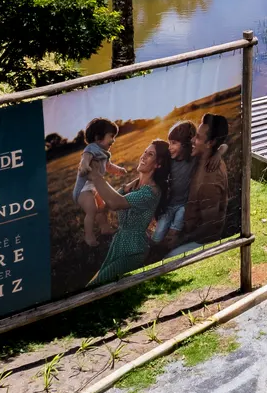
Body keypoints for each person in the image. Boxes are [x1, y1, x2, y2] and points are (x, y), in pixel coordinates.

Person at [89, 140, 171, 286]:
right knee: (93, 284)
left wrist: (96, 176)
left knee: (94, 287)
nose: (143, 156)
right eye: (145, 152)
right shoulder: (132, 187)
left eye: (150, 154)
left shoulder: (151, 192)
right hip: (118, 245)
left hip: (134, 250)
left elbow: (115, 203)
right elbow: (106, 204)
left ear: (158, 164)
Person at [73, 117, 128, 247]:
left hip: (93, 187)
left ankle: (105, 228)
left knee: (101, 207)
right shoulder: (91, 148)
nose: (113, 140)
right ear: (98, 138)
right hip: (83, 189)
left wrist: (119, 170)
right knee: (92, 210)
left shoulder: (104, 152)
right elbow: (85, 158)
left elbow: (108, 166)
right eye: (111, 136)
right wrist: (85, 165)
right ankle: (89, 236)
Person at [152, 121, 199, 255]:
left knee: (177, 222)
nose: (170, 147)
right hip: (169, 206)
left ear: (185, 144)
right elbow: (153, 173)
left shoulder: (194, 158)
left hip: (184, 204)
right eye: (170, 142)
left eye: (174, 143)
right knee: (157, 236)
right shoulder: (169, 160)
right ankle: (157, 253)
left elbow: (222, 147)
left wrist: (219, 153)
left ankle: (172, 245)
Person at [184, 115, 232, 243]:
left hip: (199, 241)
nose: (193, 140)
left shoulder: (210, 180)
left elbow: (209, 226)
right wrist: (220, 151)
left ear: (210, 143)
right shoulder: (200, 158)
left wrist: (180, 240)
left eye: (198, 137)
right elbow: (223, 145)